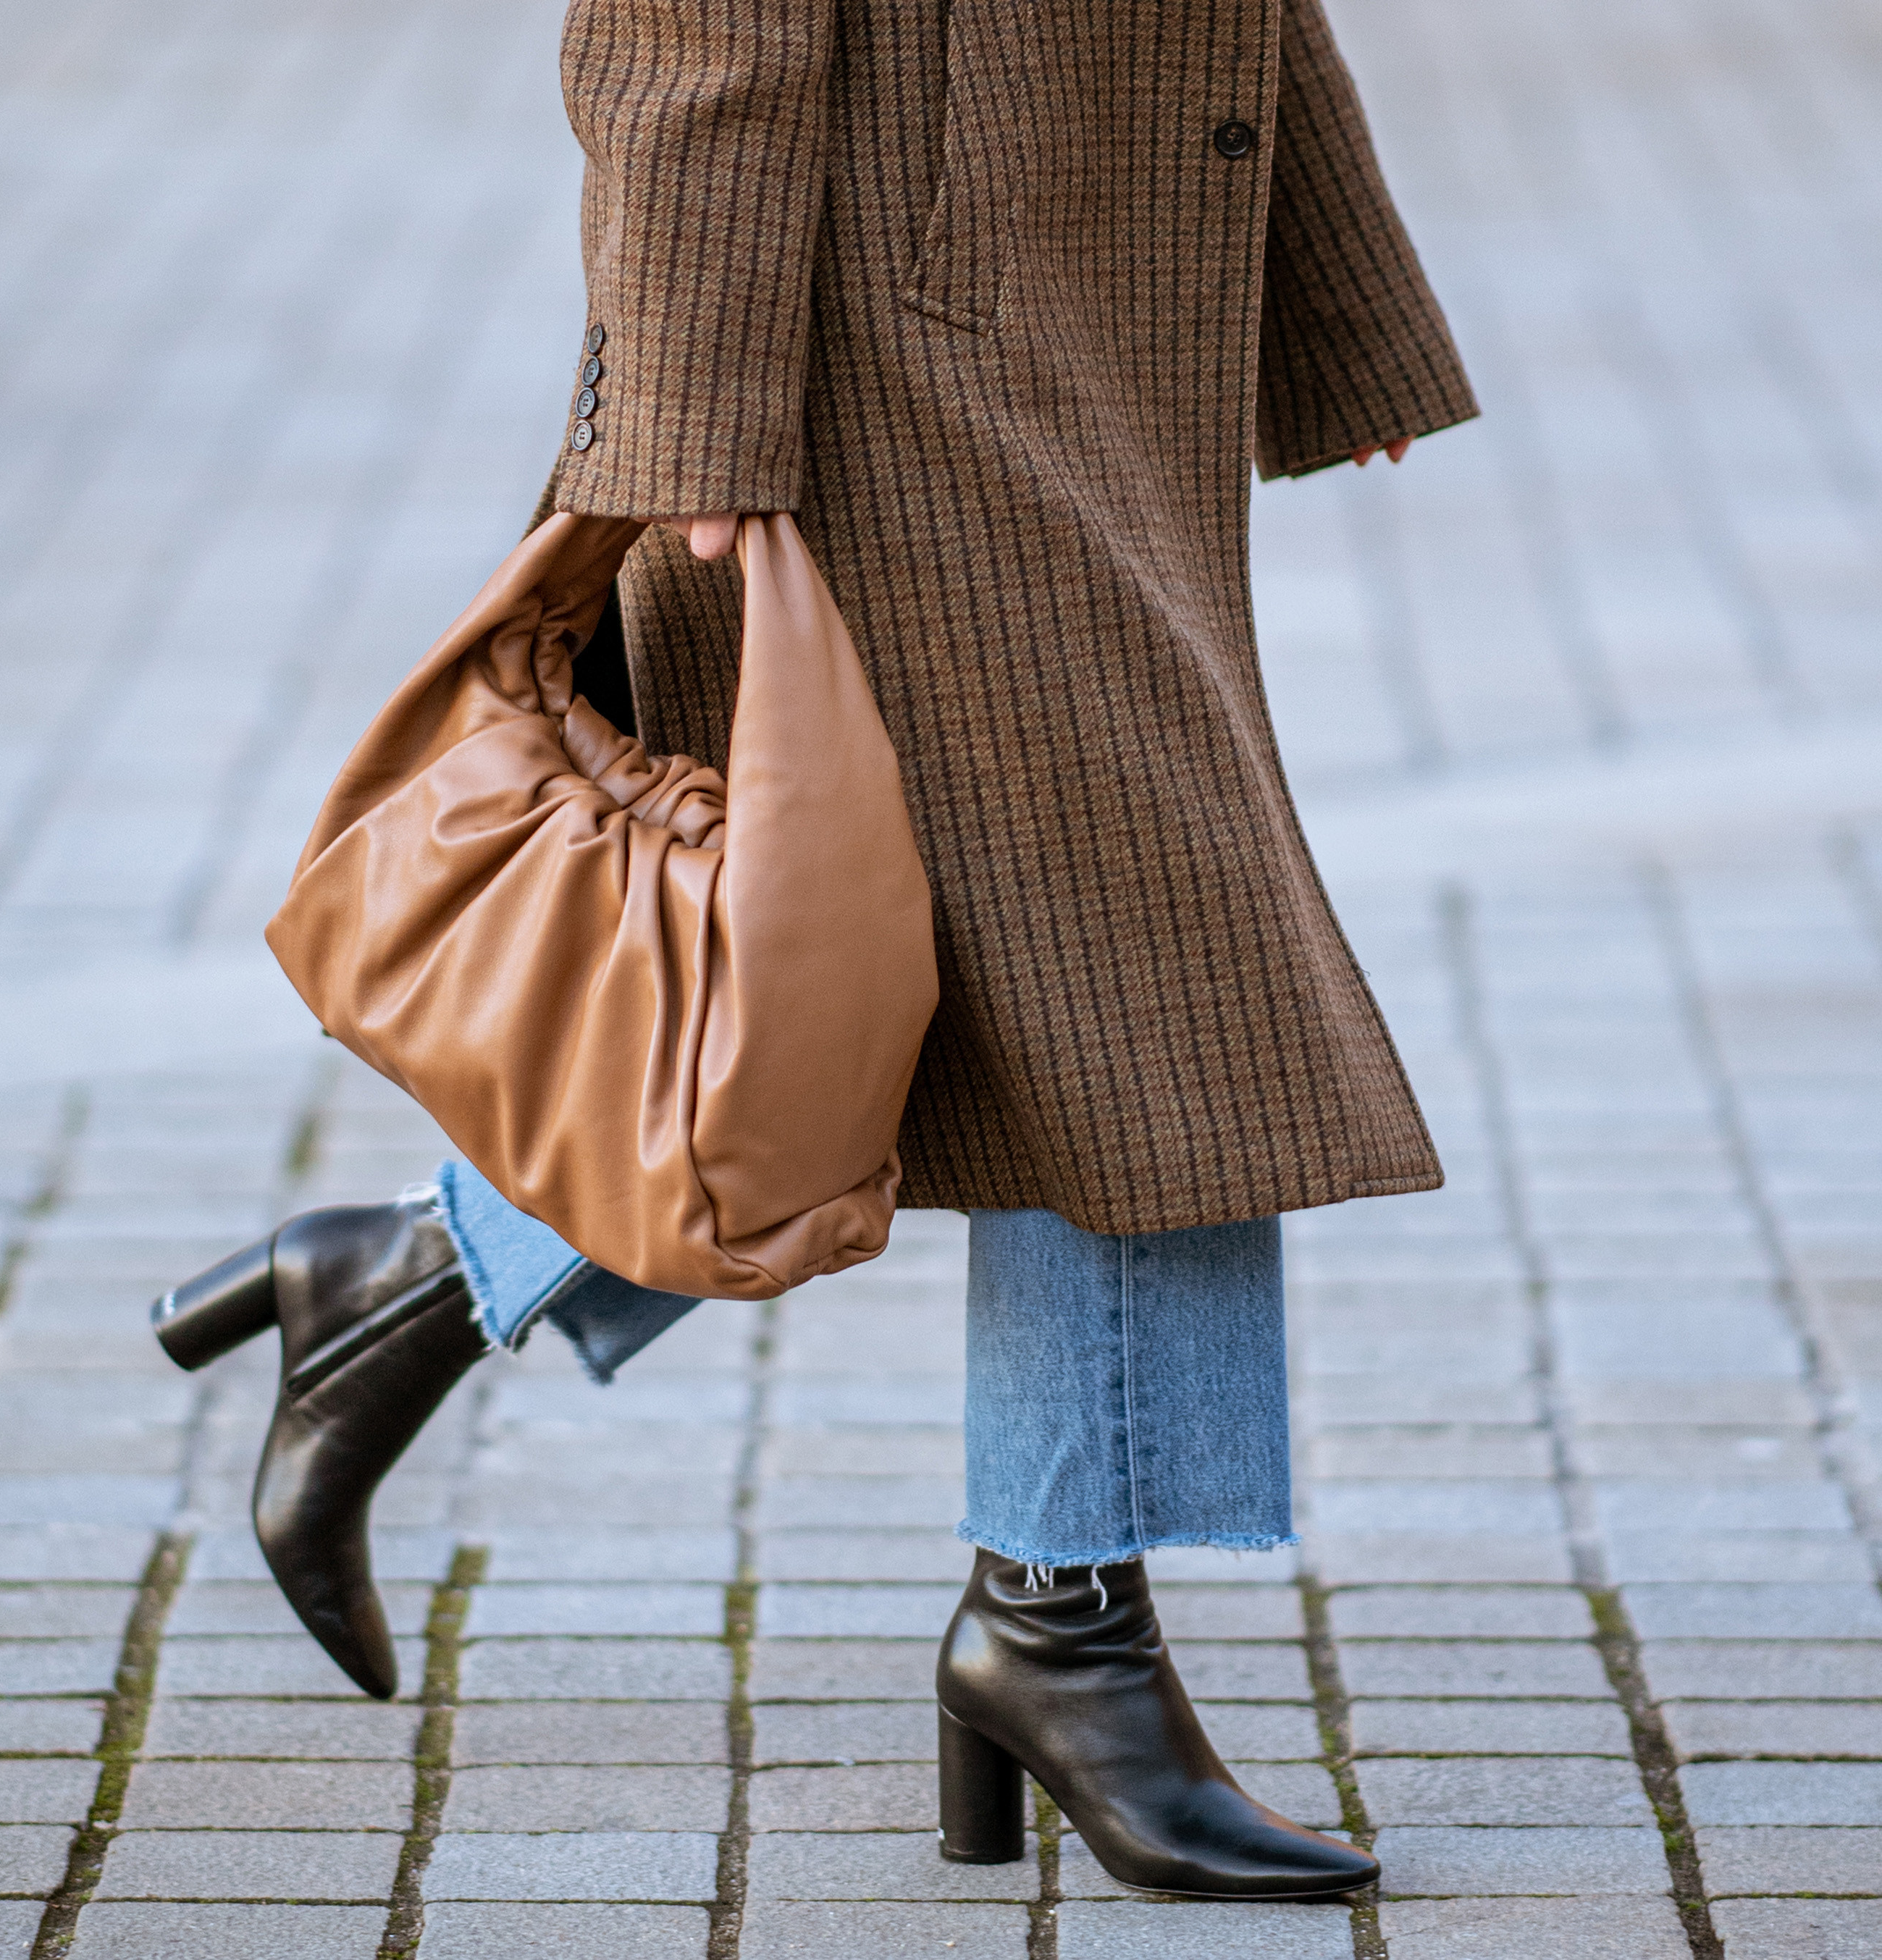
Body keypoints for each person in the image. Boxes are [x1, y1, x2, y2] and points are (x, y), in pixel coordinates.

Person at [150, 0, 1476, 1901]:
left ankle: (409, 1279)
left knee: (1002, 1002)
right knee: (1140, 992)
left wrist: (1332, 296)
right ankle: (1054, 1628)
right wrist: (685, 409)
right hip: (879, 350)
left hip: (1080, 299)